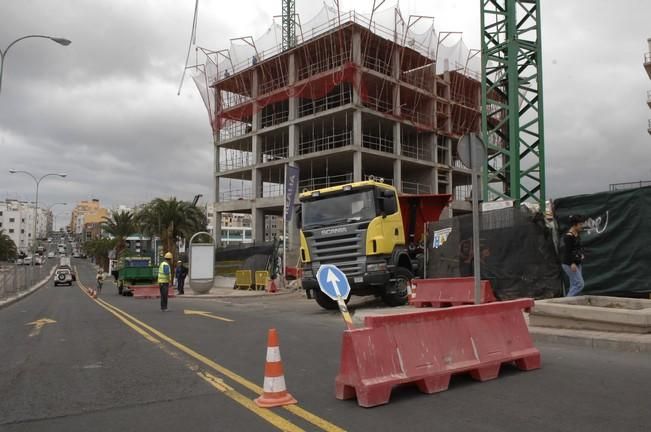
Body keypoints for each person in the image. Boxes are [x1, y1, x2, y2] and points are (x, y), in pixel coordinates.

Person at [561, 215, 586, 297]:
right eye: (580, 224)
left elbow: (577, 247)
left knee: (574, 284)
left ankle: (570, 303)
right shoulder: (568, 236)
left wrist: (581, 255)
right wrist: (572, 263)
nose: (582, 226)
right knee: (579, 284)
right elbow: (567, 251)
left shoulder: (577, 234)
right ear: (575, 224)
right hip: (569, 264)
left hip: (577, 262)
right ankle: (565, 302)